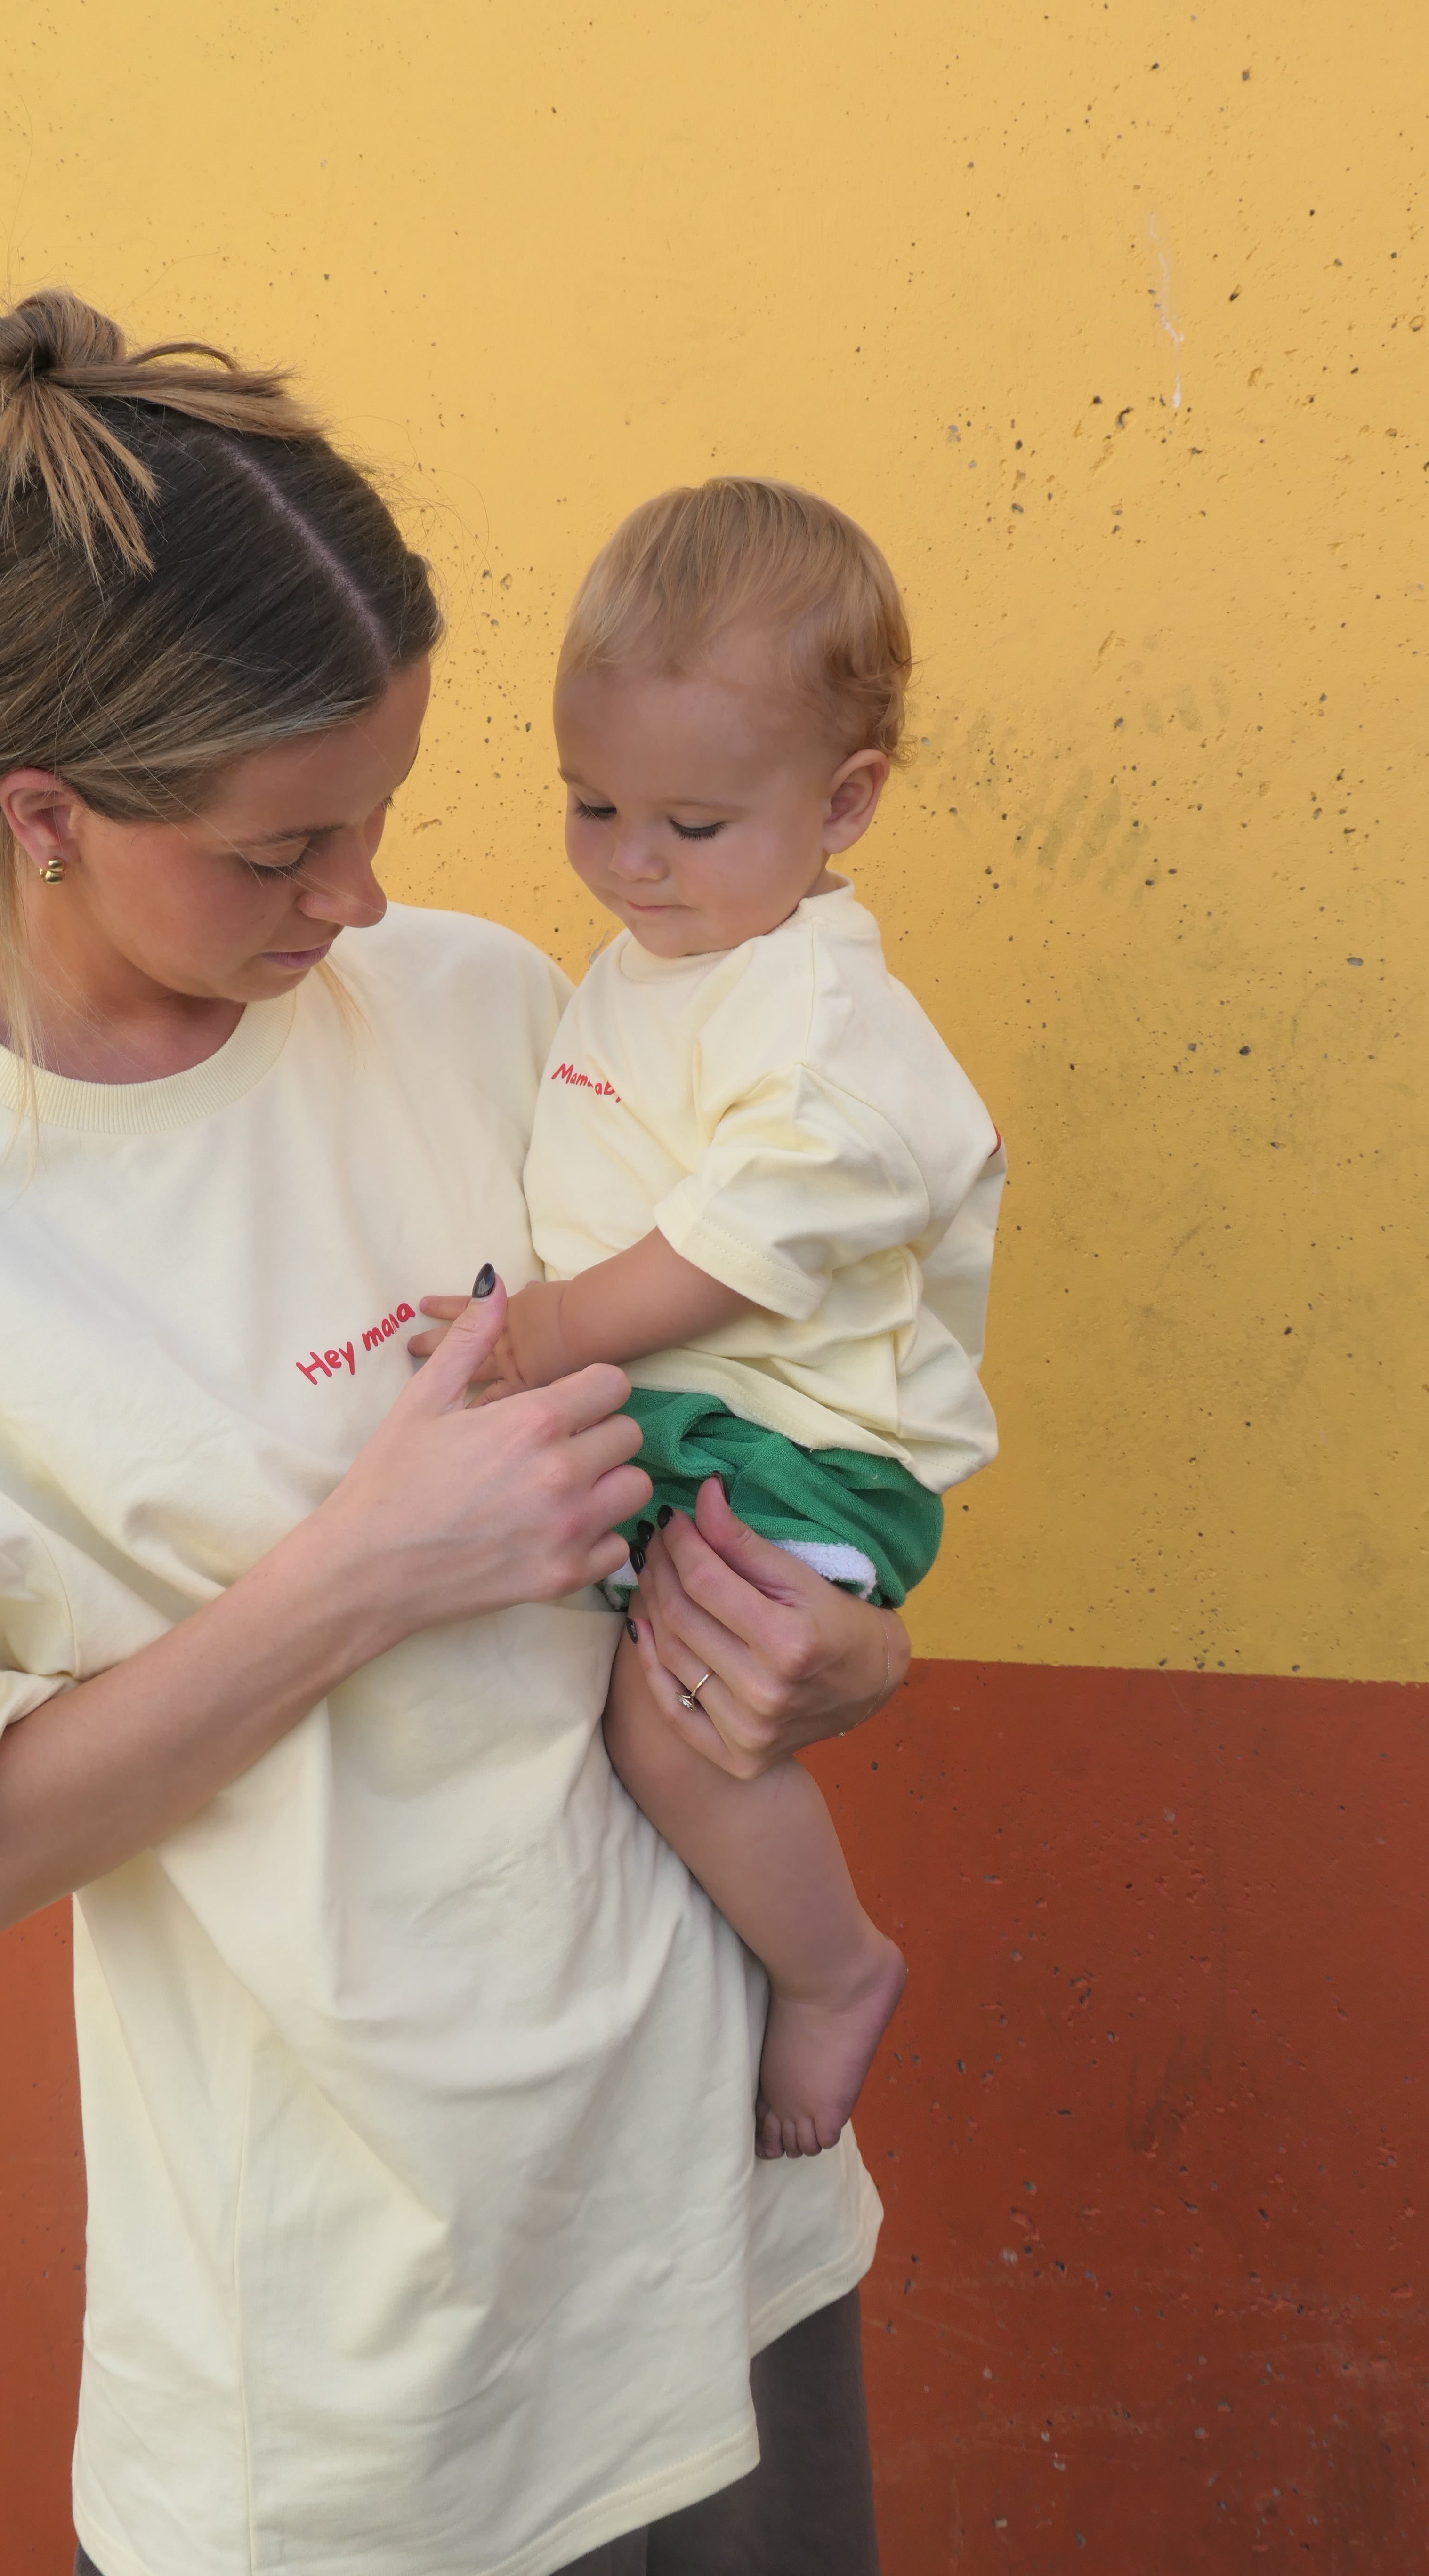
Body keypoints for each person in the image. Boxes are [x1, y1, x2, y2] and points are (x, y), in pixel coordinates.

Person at [0, 292, 910, 2576]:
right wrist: (367, 1563)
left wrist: (834, 1659)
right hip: (357, 2394)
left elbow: (755, 1451)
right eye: (285, 853)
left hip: (720, 2235)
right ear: (47, 814)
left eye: (378, 818)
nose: (363, 901)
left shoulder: (486, 1011)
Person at [413, 482, 1004, 2164]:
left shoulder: (826, 1019)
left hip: (804, 1449)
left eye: (691, 821)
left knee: (668, 1736)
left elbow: (737, 1252)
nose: (631, 862)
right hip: (701, 1421)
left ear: (847, 803)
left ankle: (834, 1972)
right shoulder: (663, 958)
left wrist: (534, 1338)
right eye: (592, 805)